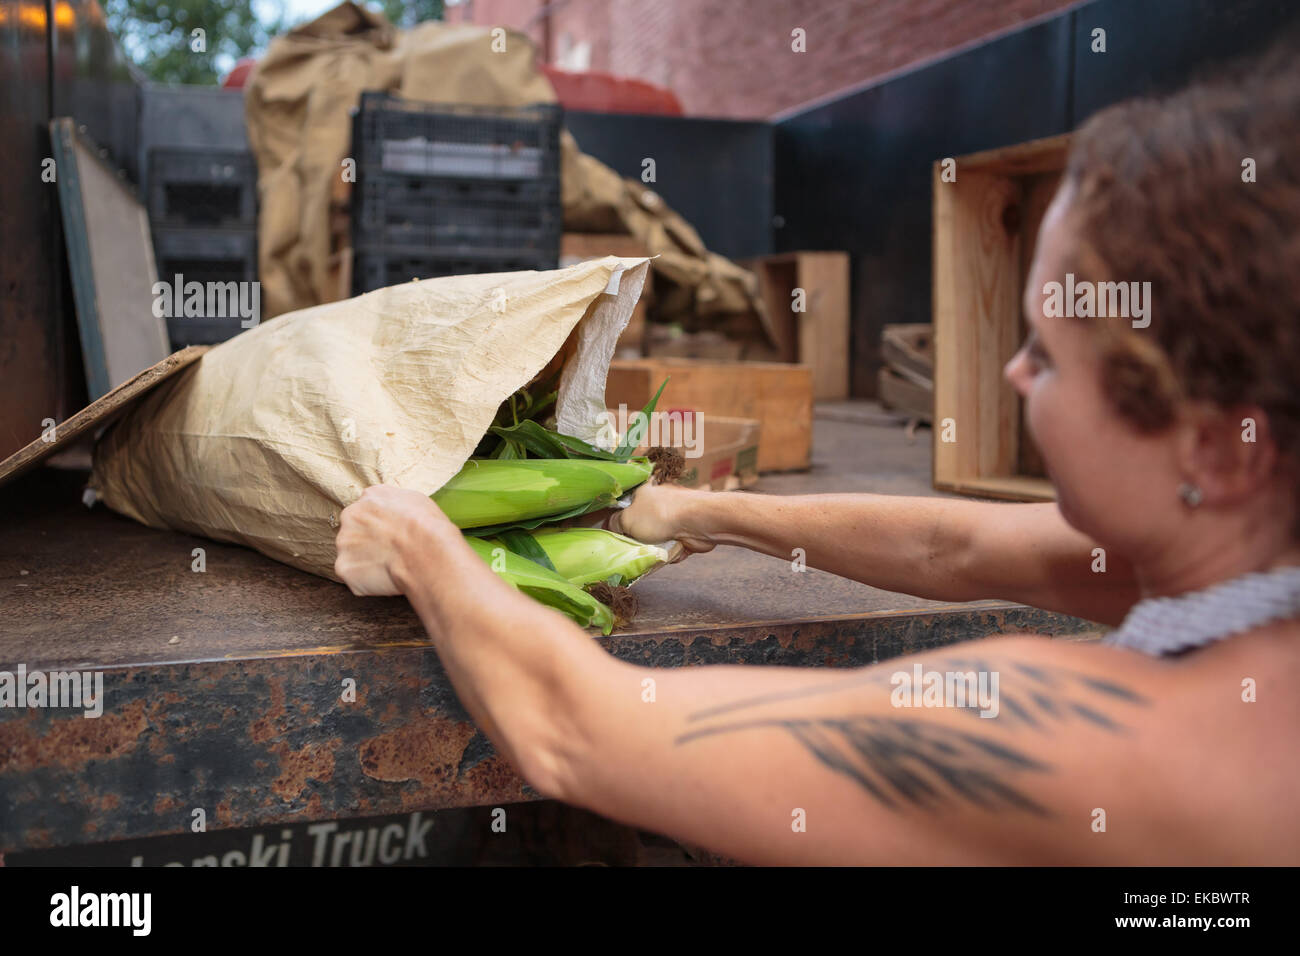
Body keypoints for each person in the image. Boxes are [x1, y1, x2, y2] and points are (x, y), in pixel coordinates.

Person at [334, 54, 1300, 865]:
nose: (1010, 371)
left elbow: (578, 732)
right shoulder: (1248, 561)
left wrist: (418, 540)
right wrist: (699, 514)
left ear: (1215, 448)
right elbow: (954, 550)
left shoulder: (1110, 745)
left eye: (1046, 353)